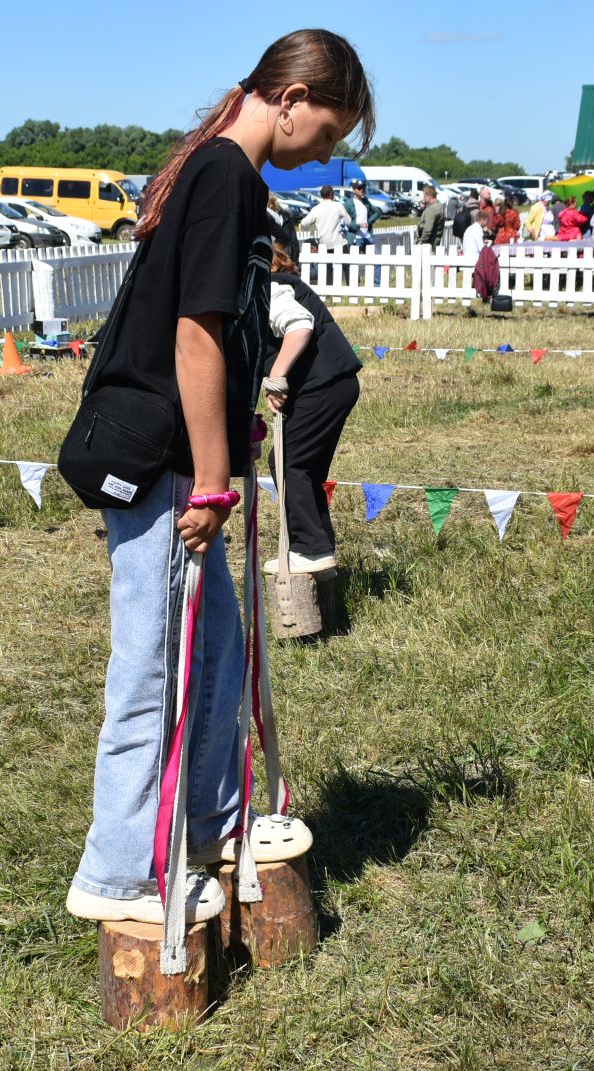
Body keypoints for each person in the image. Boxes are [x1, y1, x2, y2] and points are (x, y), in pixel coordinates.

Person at [65, 29, 373, 928]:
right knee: (156, 669)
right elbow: (195, 337)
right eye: (327, 130)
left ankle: (204, 825)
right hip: (162, 464)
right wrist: (211, 480)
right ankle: (120, 871)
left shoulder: (216, 171)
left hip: (178, 459)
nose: (322, 152)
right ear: (292, 96)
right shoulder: (228, 177)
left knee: (214, 655)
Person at [263, 241, 362, 574]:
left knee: (288, 462)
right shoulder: (276, 287)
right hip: (333, 384)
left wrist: (277, 375)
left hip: (323, 386)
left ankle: (310, 549)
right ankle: (322, 551)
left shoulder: (272, 289)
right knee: (307, 470)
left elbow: (299, 326)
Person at [298, 184, 348, 249]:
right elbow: (348, 221)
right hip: (339, 243)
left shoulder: (316, 209)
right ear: (331, 194)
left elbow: (303, 223)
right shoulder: (338, 206)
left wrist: (310, 228)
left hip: (324, 245)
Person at [415, 182, 444, 247]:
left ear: (429, 196)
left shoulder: (431, 209)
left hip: (428, 246)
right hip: (435, 243)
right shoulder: (439, 206)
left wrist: (420, 243)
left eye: (424, 196)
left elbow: (427, 230)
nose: (423, 198)